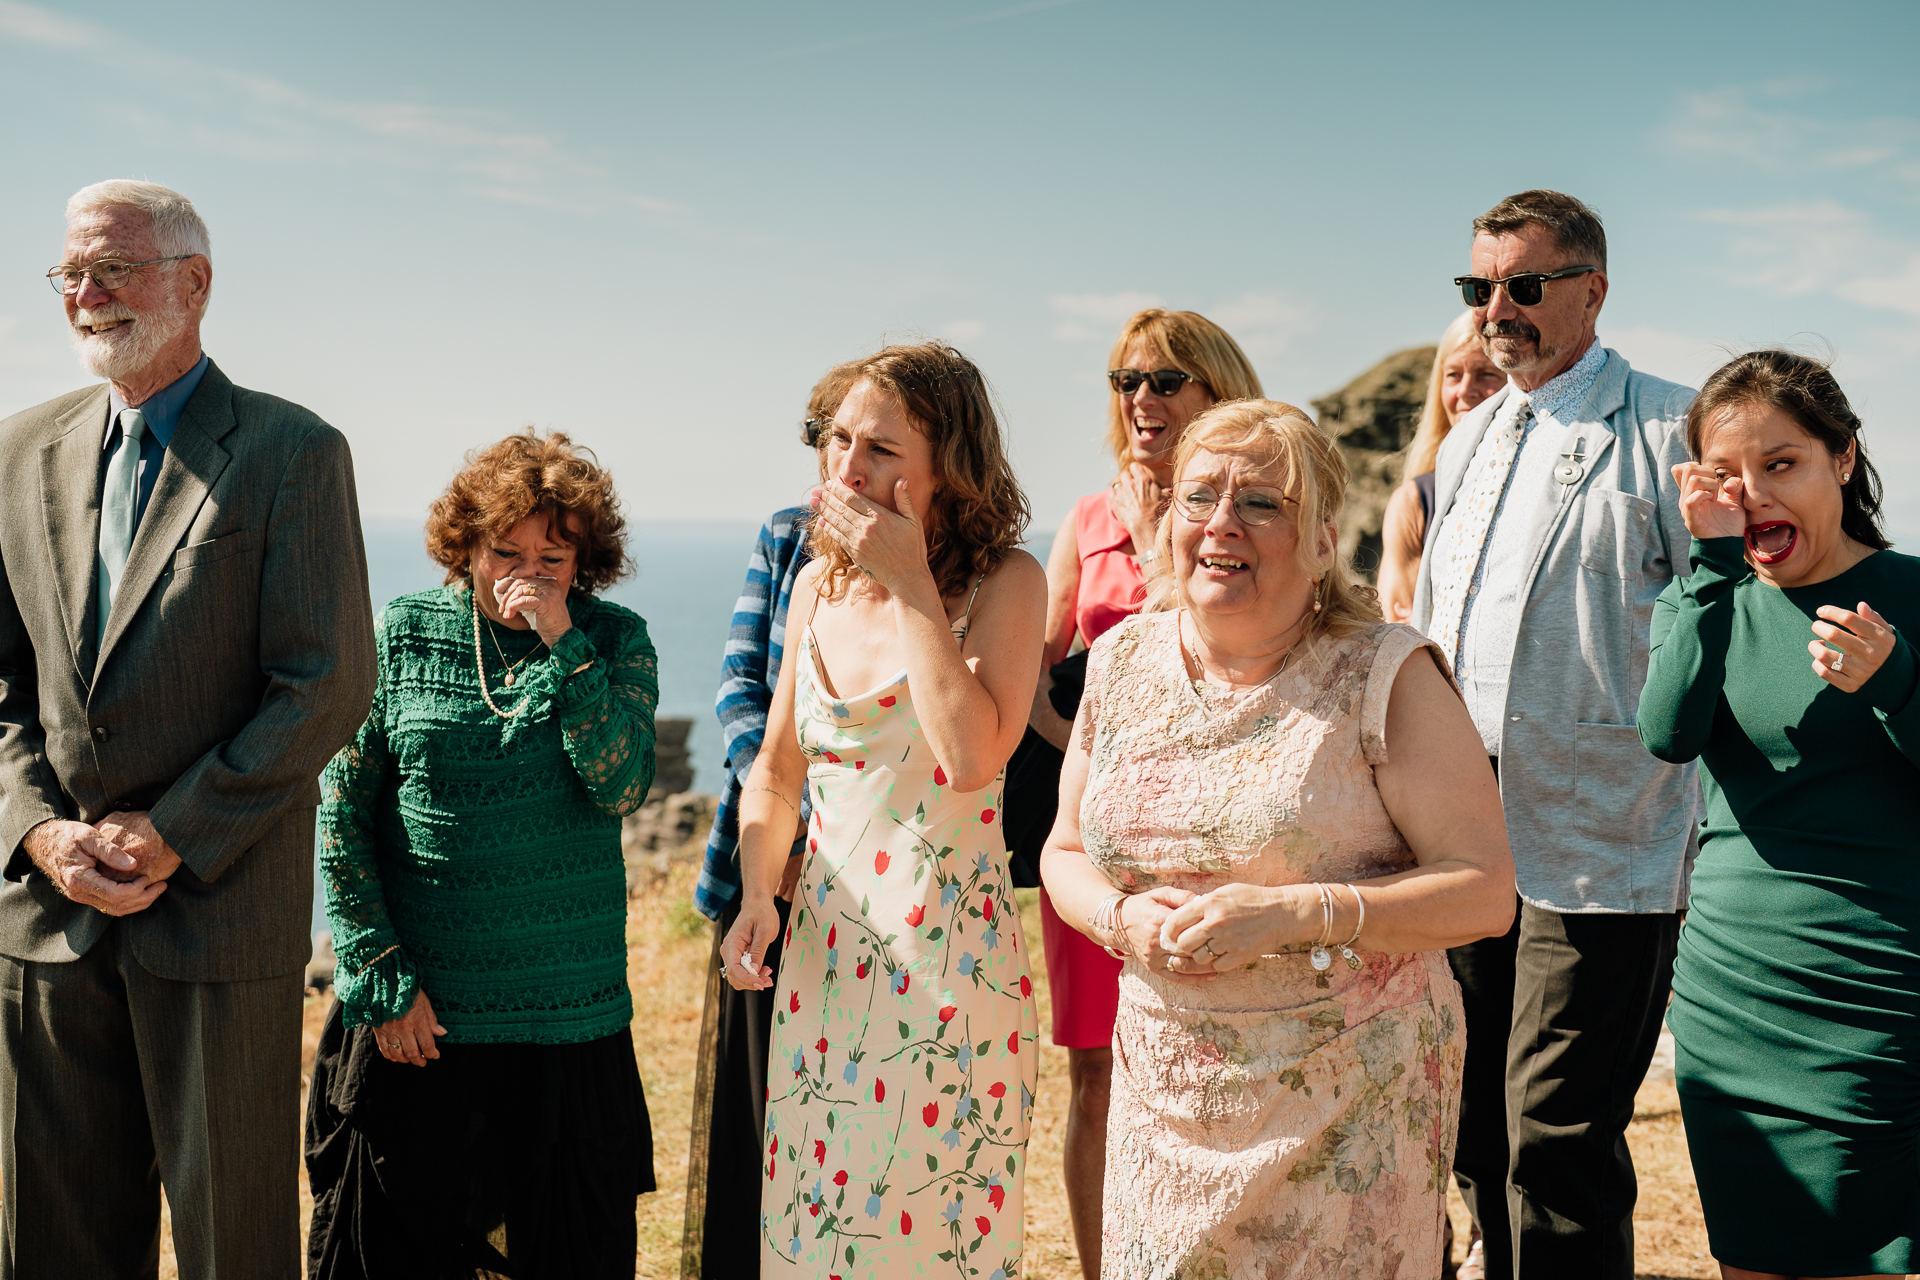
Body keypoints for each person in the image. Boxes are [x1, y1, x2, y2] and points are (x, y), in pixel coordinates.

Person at [1041, 399, 1515, 1278]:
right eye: (1198, 498)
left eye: (1261, 502)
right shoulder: (1120, 662)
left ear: (1325, 542)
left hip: (1347, 1107)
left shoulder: (1385, 674)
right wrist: (1120, 921)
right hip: (1163, 1097)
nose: (1222, 523)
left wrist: (1300, 912)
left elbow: (1485, 891)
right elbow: (1064, 851)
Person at [0, 180, 377, 1279]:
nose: (87, 293)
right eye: (69, 271)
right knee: (49, 1243)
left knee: (233, 1243)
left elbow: (325, 681)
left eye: (112, 266)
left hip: (218, 909)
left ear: (194, 281)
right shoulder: (14, 452)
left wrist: (172, 832)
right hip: (46, 918)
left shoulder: (294, 450)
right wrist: (39, 835)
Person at [1411, 189, 1699, 1280]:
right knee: (1474, 1125)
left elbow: (1719, 612)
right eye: (1478, 286)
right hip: (1463, 826)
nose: (1498, 307)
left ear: (1592, 291)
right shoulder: (1473, 436)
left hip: (1602, 835)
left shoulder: (1671, 425)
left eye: (1524, 286)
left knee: (1558, 1132)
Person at [720, 342, 1045, 1278]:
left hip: (949, 970)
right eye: (837, 440)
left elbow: (972, 757)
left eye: (883, 450)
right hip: (824, 962)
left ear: (950, 465)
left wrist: (908, 583)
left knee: (931, 1240)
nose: (847, 469)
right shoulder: (818, 583)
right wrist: (756, 895)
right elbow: (778, 772)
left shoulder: (1007, 583)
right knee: (815, 1236)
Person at [305, 430, 659, 1279]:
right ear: (464, 545)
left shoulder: (615, 641)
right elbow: (343, 809)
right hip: (419, 1023)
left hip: (564, 1023)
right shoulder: (402, 633)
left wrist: (565, 646)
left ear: (586, 560)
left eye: (553, 555)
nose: (526, 573)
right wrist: (378, 974)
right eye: (505, 550)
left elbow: (622, 784)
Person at [1639, 351, 1920, 1280]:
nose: (1755, 494)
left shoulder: (1914, 596)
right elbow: (1669, 733)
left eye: (1782, 464)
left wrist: (1897, 682)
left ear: (1843, 458)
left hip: (1883, 994)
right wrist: (1711, 566)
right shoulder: (1702, 598)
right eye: (1728, 474)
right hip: (1737, 1000)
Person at [1027, 307, 1261, 1277]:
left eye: (1166, 379)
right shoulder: (1086, 519)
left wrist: (1163, 532)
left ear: (1215, 389)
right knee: (1094, 1070)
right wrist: (1095, 761)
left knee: (1220, 1067)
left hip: (1225, 829)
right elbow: (1033, 678)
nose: (1142, 399)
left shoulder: (1249, 511)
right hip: (1099, 841)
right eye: (1126, 380)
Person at [681, 362, 855, 1278]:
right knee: (756, 1111)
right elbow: (740, 688)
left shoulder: (957, 563)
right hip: (764, 862)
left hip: (873, 878)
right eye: (833, 440)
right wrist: (785, 824)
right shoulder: (787, 537)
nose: (845, 462)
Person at [1377, 311, 1507, 624]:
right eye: (1453, 375)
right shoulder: (1415, 502)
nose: (1465, 390)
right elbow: (1398, 622)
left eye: (1486, 374)